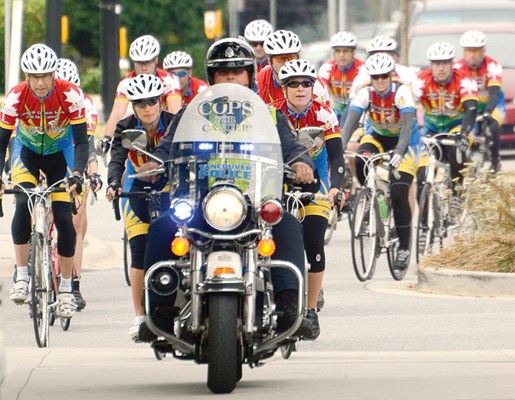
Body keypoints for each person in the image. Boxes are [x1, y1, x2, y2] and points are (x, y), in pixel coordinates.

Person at [137, 37, 317, 341]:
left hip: (253, 200)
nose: (231, 77)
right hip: (201, 201)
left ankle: (290, 307)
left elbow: (291, 148)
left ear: (249, 74)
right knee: (162, 225)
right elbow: (168, 148)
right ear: (212, 77)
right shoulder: (192, 112)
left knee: (286, 223)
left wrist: (301, 163)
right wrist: (153, 166)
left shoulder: (269, 114)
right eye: (223, 72)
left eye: (237, 71)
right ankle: (159, 310)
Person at [0, 44, 89, 317]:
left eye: (45, 76)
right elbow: (2, 140)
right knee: (22, 202)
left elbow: (82, 141)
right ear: (26, 76)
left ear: (53, 74)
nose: (40, 83)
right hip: (26, 154)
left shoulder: (70, 95)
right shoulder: (15, 97)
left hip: (60, 157)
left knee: (64, 219)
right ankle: (23, 274)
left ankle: (64, 289)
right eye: (34, 77)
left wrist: (76, 173)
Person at [273, 59, 345, 339]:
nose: (301, 88)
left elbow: (337, 156)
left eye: (306, 83)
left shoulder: (324, 115)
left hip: (315, 183)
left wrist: (336, 188)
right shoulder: (271, 114)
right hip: (279, 182)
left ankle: (311, 310)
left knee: (313, 241)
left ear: (313, 87)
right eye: (293, 84)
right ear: (284, 87)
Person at [106, 74, 175, 342]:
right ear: (132, 106)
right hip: (137, 190)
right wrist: (113, 183)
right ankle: (139, 315)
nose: (147, 108)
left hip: (169, 188)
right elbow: (117, 160)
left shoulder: (173, 123)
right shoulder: (125, 127)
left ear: (161, 101)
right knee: (139, 250)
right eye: (140, 103)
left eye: (152, 102)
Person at [341, 53, 420, 274]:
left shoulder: (401, 92)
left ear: (391, 75)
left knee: (399, 191)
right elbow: (348, 125)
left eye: (384, 76)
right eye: (376, 77)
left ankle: (404, 247)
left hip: (406, 141)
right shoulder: (365, 94)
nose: (380, 81)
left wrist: (401, 151)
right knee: (361, 158)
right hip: (378, 136)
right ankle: (371, 197)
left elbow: (406, 127)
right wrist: (339, 146)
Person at [55, 58, 103, 310]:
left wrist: (92, 173)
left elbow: (89, 144)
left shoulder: (85, 103)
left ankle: (74, 282)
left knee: (75, 221)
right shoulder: (39, 98)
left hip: (74, 155)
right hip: (47, 154)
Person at [98, 35, 181, 155]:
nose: (143, 67)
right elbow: (117, 114)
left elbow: (175, 112)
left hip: (164, 131)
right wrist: (107, 137)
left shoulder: (169, 80)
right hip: (140, 131)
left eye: (147, 62)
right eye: (139, 63)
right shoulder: (125, 83)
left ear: (156, 60)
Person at [417, 41, 478, 198]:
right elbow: (409, 106)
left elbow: (471, 108)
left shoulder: (464, 79)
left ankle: (457, 196)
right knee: (422, 173)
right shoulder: (421, 80)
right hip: (432, 128)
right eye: (437, 64)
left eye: (445, 63)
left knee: (456, 152)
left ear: (452, 63)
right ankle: (424, 218)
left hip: (456, 126)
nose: (441, 68)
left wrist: (464, 133)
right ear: (431, 65)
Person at [454, 29, 504, 173]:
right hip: (470, 104)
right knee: (466, 128)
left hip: (492, 102)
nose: (472, 55)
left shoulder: (492, 65)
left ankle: (495, 160)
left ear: (483, 51)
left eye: (476, 51)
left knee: (493, 125)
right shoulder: (457, 68)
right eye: (468, 51)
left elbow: (494, 93)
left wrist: (488, 112)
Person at [256, 30, 330, 105]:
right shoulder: (258, 82)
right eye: (280, 58)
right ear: (269, 61)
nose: (286, 63)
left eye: (291, 57)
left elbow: (323, 114)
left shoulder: (315, 84)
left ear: (298, 58)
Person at [318, 31, 365, 118]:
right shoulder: (327, 68)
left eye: (346, 51)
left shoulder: (362, 68)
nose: (341, 55)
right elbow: (321, 92)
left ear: (353, 52)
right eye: (337, 51)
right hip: (336, 109)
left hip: (357, 110)